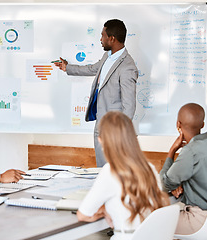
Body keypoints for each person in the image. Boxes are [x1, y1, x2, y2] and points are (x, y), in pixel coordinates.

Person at [54, 19, 138, 167]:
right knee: (102, 168)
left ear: (111, 38)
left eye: (103, 35)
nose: (101, 39)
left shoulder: (127, 66)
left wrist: (120, 134)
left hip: (113, 129)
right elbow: (92, 69)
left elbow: (129, 105)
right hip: (101, 122)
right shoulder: (108, 56)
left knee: (113, 170)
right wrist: (68, 68)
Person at [77, 111, 169, 239]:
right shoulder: (150, 169)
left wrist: (103, 211)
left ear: (102, 141)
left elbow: (83, 214)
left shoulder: (110, 171)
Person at [160, 103, 207, 235]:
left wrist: (172, 151)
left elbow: (163, 183)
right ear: (202, 124)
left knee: (151, 222)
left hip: (199, 220)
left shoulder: (190, 151)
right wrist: (178, 184)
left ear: (178, 124)